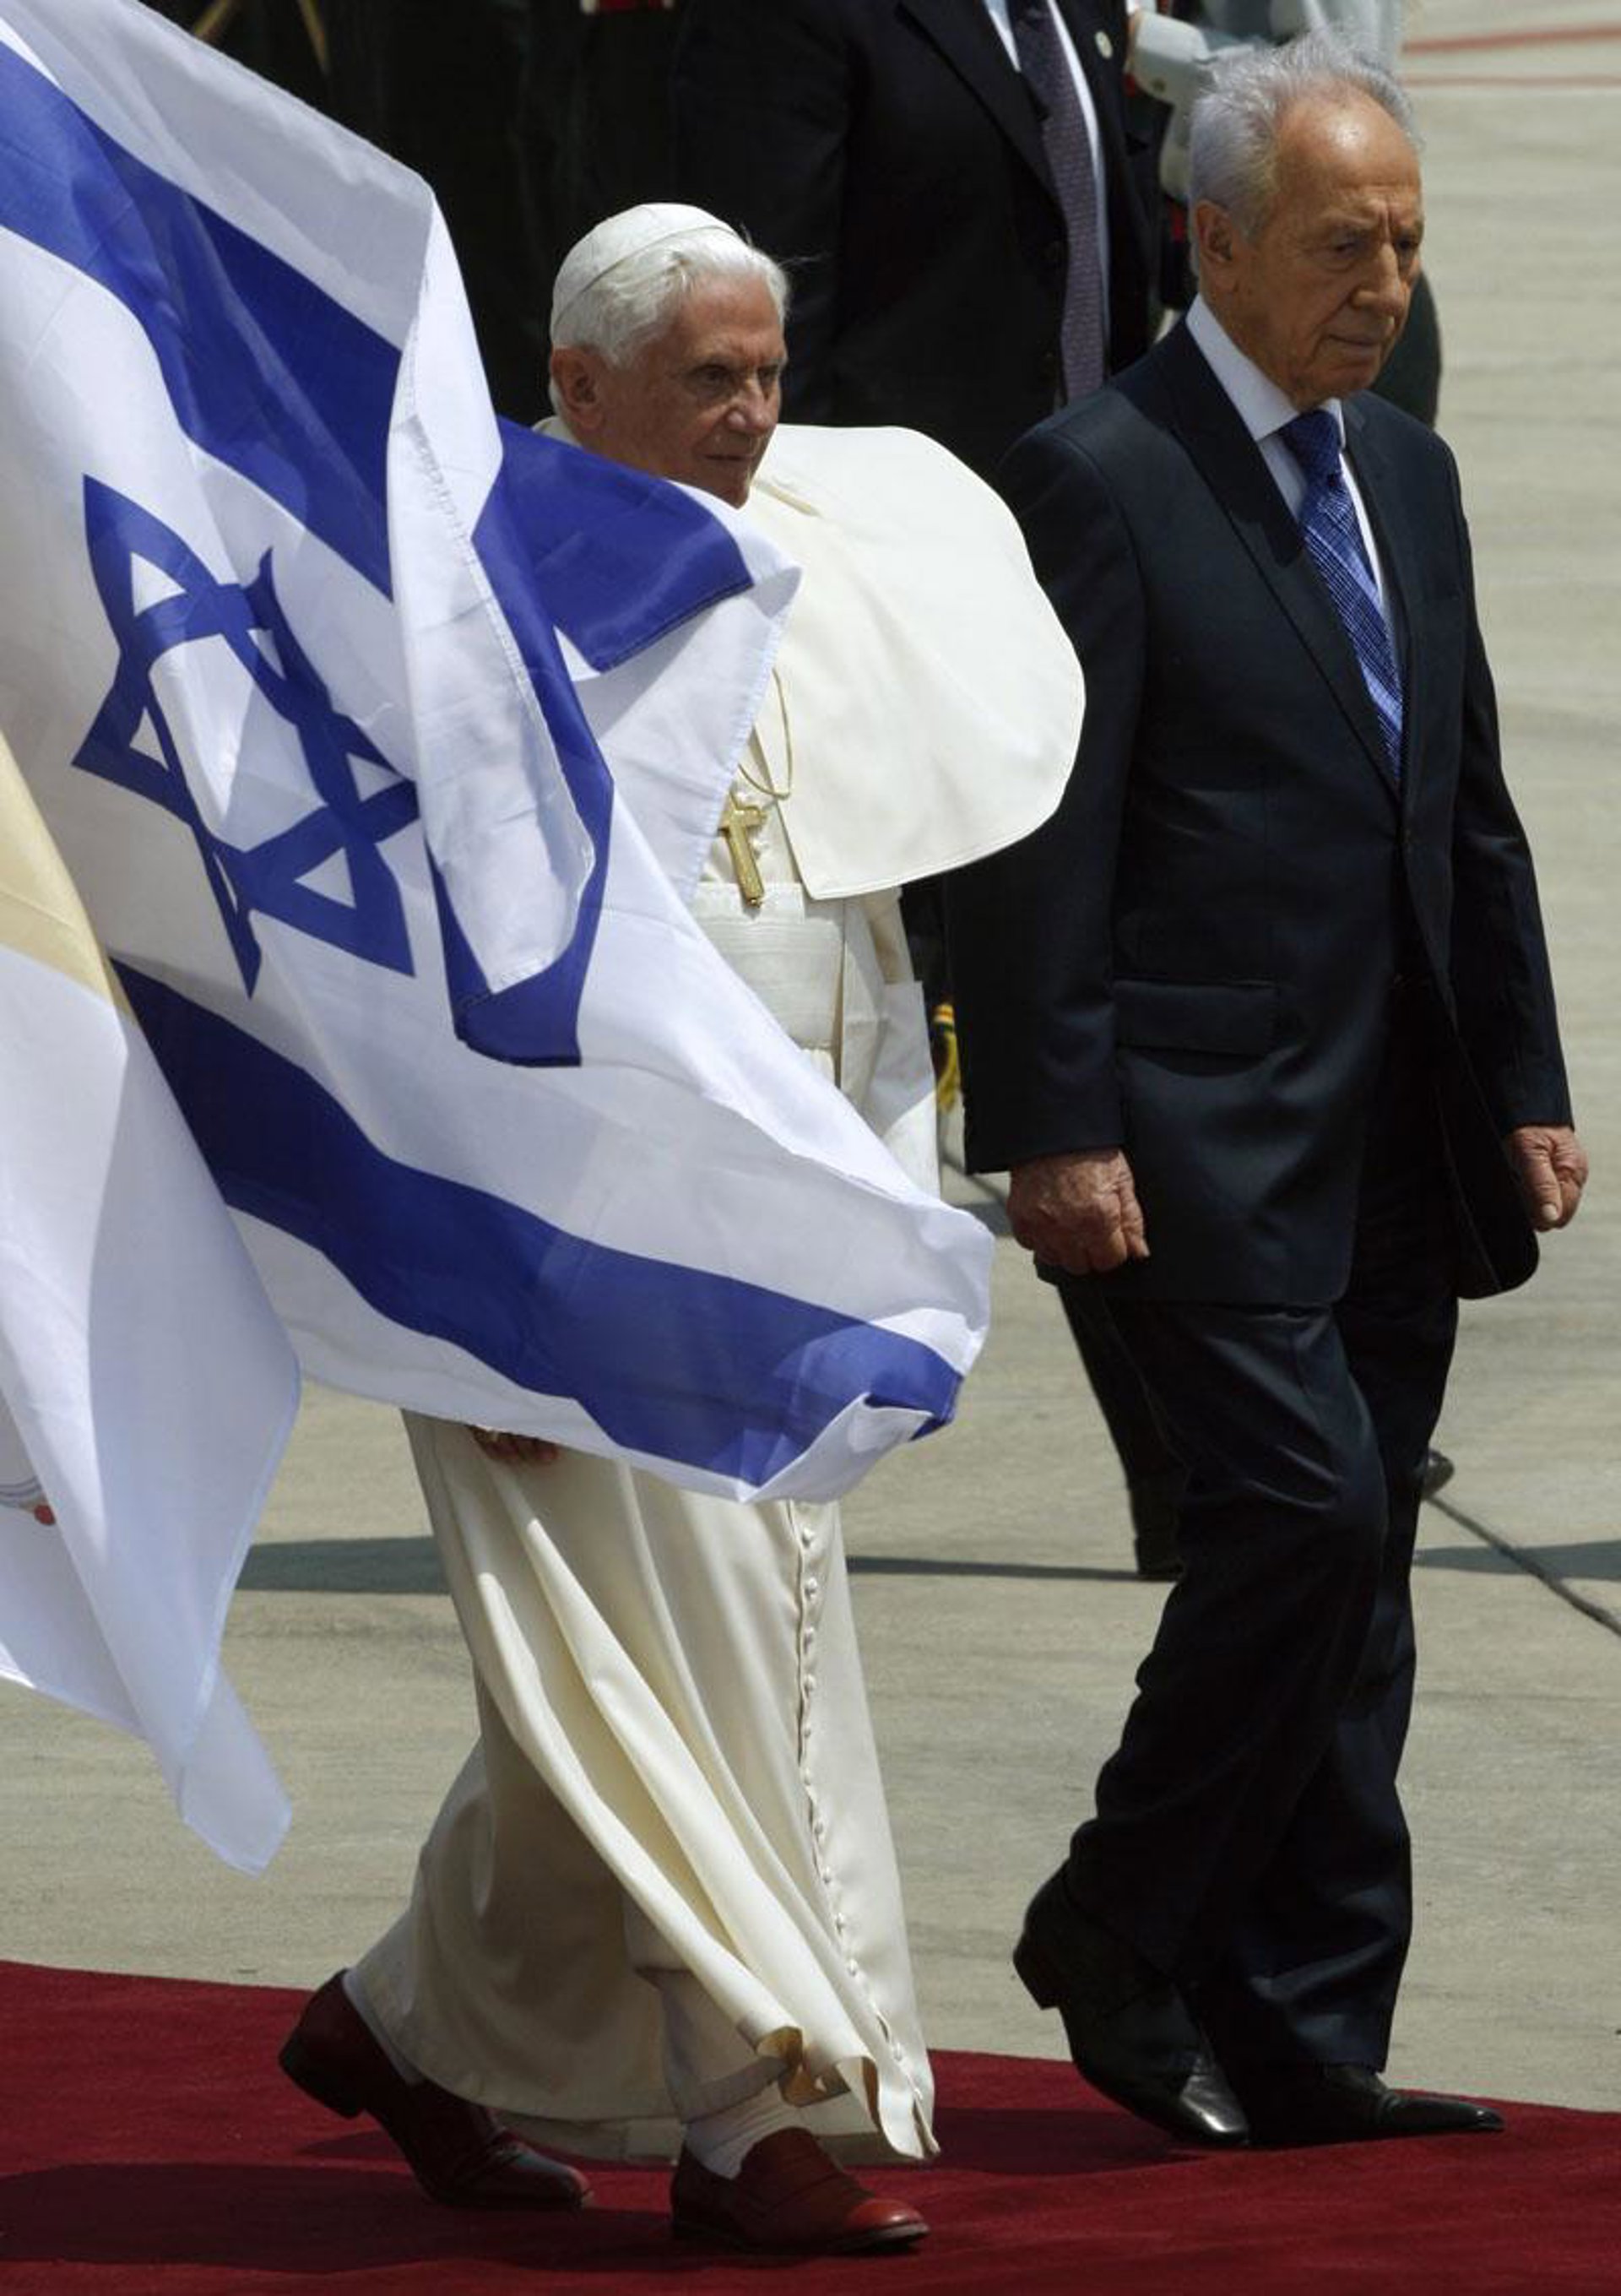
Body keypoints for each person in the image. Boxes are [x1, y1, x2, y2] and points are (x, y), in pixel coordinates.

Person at [278, 204, 1081, 2253]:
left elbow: (852, 920)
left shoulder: (789, 556)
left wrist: (884, 1208)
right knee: (709, 1661)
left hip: (773, 1228)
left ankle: (400, 2023)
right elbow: (427, 1001)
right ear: (576, 386)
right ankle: (751, 2117)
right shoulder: (466, 599)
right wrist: (479, 1313)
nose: (752, 413)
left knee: (642, 1674)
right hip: (564, 1253)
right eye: (709, 378)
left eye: (769, 371)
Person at [947, 31, 1586, 2149]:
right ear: (1213, 243)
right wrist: (1053, 1124)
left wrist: (1522, 1074)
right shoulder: (1098, 476)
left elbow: (1461, 804)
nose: (1383, 284)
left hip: (1395, 1124)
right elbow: (1039, 842)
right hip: (1188, 1127)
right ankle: (1115, 1920)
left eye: (1405, 243)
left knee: (1361, 1567)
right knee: (1300, 1524)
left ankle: (1305, 2022)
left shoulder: (1404, 467)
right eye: (1340, 245)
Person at [670, 0, 1155, 479]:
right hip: (895, 495)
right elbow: (772, 295)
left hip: (1098, 480)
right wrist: (807, 497)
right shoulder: (787, 16)